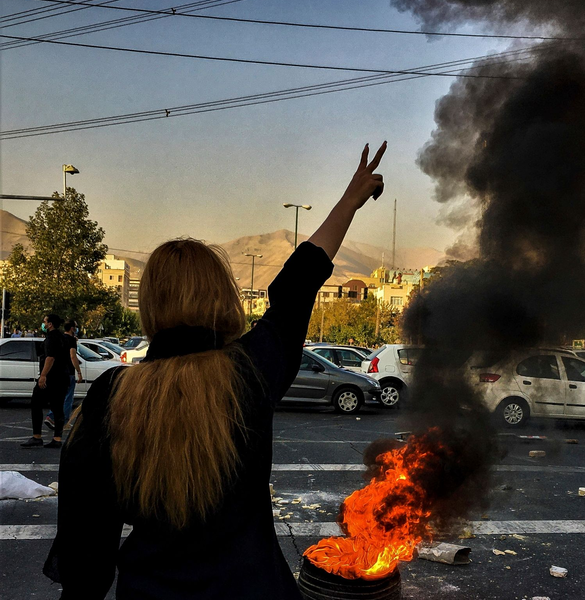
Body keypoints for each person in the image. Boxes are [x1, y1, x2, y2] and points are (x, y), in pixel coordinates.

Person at [44, 141, 387, 599]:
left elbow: (86, 555)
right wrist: (349, 201)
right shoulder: (251, 371)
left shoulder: (111, 394)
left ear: (150, 305)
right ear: (221, 296)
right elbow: (298, 284)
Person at [20, 314, 72, 449]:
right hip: (63, 377)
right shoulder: (63, 337)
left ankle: (37, 436)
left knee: (36, 402)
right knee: (57, 407)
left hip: (52, 378)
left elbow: (50, 358)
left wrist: (43, 376)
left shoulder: (51, 338)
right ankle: (57, 438)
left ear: (50, 324)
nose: (43, 324)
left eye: (44, 322)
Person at [44, 320, 83, 431]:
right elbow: (72, 356)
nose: (76, 328)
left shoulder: (60, 337)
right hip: (68, 372)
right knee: (68, 398)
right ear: (71, 328)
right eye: (75, 326)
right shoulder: (71, 340)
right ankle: (62, 421)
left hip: (58, 371)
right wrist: (79, 371)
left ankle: (52, 416)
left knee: (59, 397)